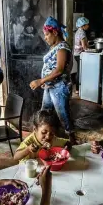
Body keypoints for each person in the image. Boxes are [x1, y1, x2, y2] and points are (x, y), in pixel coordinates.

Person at [29, 16, 75, 144]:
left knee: (63, 115)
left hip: (60, 87)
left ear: (55, 33)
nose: (45, 38)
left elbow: (59, 69)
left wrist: (41, 81)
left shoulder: (62, 48)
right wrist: (46, 82)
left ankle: (72, 141)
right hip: (51, 87)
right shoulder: (55, 47)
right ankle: (45, 137)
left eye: (47, 35)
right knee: (45, 112)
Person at [73, 17, 90, 94]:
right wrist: (89, 50)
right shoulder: (82, 33)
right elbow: (84, 46)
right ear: (83, 25)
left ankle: (78, 89)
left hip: (76, 54)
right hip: (80, 54)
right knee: (80, 72)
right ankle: (77, 89)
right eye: (87, 24)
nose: (88, 26)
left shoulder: (78, 31)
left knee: (79, 71)